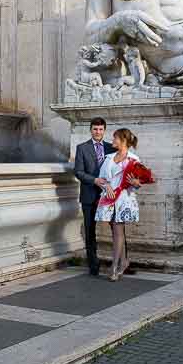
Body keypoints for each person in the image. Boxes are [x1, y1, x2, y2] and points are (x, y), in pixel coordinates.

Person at [96, 128, 145, 281]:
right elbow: (101, 178)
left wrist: (137, 183)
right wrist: (107, 186)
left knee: (118, 229)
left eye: (115, 138)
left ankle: (114, 266)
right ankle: (124, 262)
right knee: (115, 230)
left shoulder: (134, 159)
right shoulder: (109, 157)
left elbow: (137, 183)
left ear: (123, 140)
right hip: (109, 199)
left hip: (123, 199)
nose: (113, 140)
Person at [74, 117, 116, 276]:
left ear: (104, 131)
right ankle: (93, 264)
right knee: (90, 230)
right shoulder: (82, 148)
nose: (98, 132)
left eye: (100, 129)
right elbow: (78, 172)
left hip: (109, 195)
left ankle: (119, 262)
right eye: (95, 129)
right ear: (90, 130)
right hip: (89, 195)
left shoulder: (111, 148)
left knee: (116, 228)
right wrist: (94, 180)